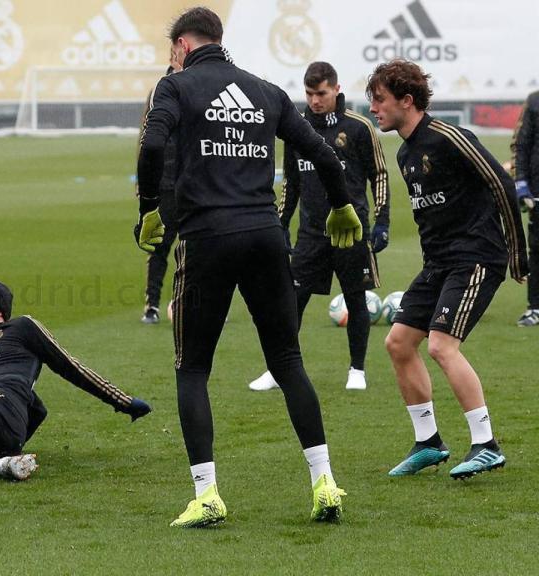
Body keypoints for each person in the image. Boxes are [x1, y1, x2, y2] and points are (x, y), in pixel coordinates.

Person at [134, 7, 359, 527]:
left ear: (182, 47)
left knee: (192, 369)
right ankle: (324, 481)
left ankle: (207, 494)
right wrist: (343, 203)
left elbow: (151, 145)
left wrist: (148, 207)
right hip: (264, 236)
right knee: (287, 360)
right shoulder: (265, 91)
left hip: (206, 237)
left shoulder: (177, 86)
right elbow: (324, 154)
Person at [367, 60, 527, 480]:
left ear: (406, 100)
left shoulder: (450, 137)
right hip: (439, 264)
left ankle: (486, 444)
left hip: (476, 258)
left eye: (379, 100)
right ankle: (429, 442)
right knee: (398, 343)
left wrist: (517, 253)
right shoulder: (405, 153)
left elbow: (501, 183)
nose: (374, 109)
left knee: (440, 346)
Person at [0, 281, 151, 480]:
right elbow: (38, 410)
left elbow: (70, 366)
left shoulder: (21, 327)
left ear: (0, 310)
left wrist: (123, 401)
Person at [249, 61, 390, 392]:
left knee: (356, 299)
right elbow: (291, 184)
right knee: (291, 301)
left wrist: (382, 220)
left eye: (321, 93)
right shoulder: (296, 130)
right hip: (310, 234)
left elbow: (379, 174)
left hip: (350, 231)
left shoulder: (358, 127)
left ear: (336, 90)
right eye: (310, 93)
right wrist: (280, 223)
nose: (315, 100)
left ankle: (357, 370)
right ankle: (277, 370)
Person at [139, 55, 183, 325]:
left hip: (195, 182)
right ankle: (152, 305)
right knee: (159, 247)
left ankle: (204, 303)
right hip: (165, 182)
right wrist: (142, 185)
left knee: (201, 248)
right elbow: (145, 139)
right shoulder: (159, 90)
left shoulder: (198, 87)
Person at [511, 90, 539, 326]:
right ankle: (535, 308)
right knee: (537, 250)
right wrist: (521, 183)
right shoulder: (534, 100)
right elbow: (521, 144)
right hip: (537, 193)